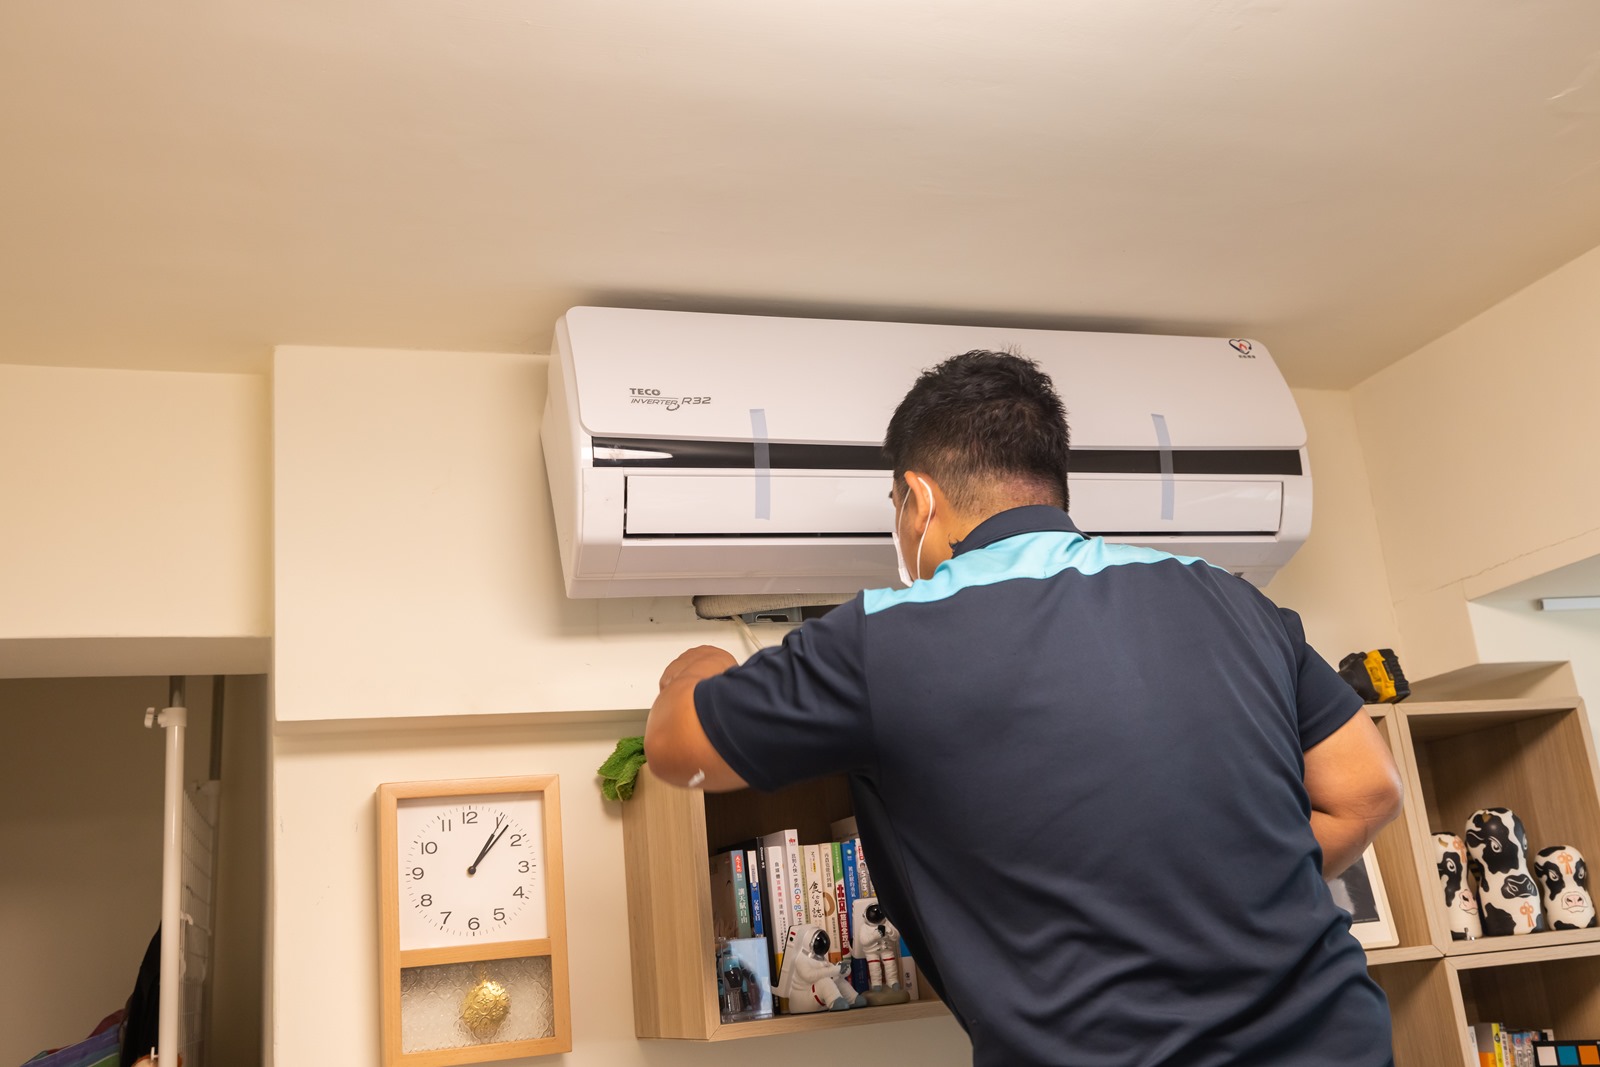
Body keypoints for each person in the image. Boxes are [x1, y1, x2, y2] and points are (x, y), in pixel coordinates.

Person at [646, 349, 1404, 1067]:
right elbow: (1368, 791)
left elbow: (682, 753)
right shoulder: (1230, 596)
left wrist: (701, 666)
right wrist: (1221, 897)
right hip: (1335, 1040)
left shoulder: (885, 636)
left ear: (918, 498)